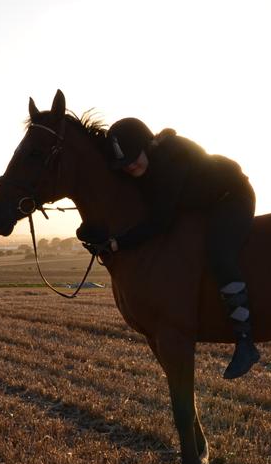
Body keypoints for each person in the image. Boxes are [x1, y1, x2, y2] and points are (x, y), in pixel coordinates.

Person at [84, 117, 260, 379]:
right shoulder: (148, 164)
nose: (130, 166)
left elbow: (159, 221)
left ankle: (245, 342)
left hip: (232, 196)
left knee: (219, 253)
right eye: (124, 163)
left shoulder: (170, 161)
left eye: (133, 157)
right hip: (200, 204)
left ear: (147, 145)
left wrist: (119, 242)